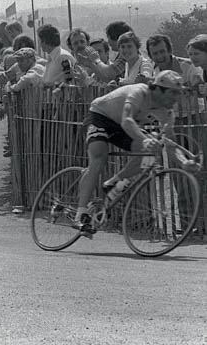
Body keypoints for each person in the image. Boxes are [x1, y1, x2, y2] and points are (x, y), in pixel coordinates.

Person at [74, 71, 185, 233]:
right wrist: (145, 139)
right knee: (99, 157)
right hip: (101, 116)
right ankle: (80, 213)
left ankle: (113, 182)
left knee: (149, 153)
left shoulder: (167, 112)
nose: (176, 98)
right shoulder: (139, 92)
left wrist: (184, 162)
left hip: (120, 127)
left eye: (178, 94)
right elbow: (127, 120)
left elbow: (170, 143)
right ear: (158, 90)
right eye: (172, 93)